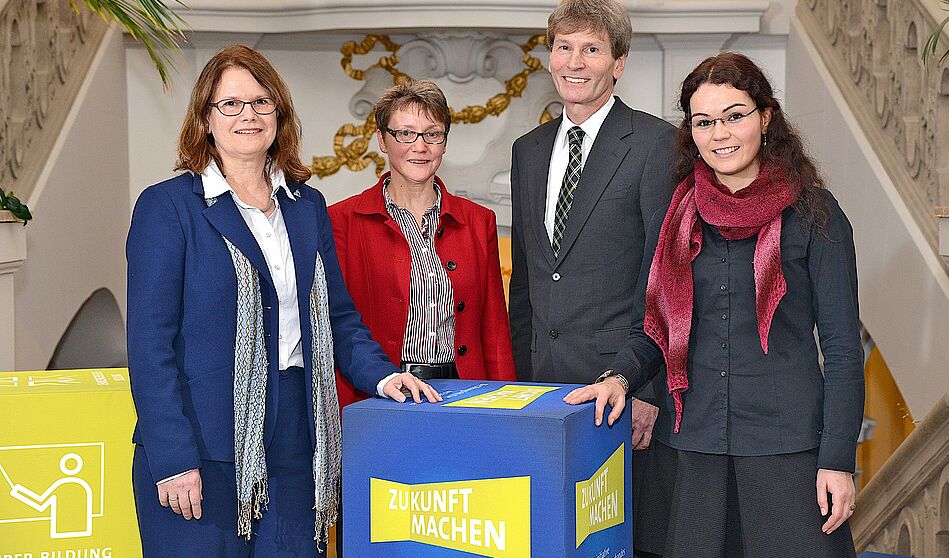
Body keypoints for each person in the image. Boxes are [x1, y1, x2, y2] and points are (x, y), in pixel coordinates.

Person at [126, 45, 440, 558]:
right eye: (230, 104)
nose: (248, 114)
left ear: (279, 113)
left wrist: (385, 376)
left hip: (297, 446)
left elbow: (337, 318)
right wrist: (172, 457)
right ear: (205, 119)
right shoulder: (167, 208)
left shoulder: (306, 205)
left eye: (261, 101)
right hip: (201, 453)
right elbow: (149, 348)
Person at [565, 52, 865, 558]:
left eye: (734, 115)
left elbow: (840, 350)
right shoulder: (676, 213)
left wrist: (837, 460)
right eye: (704, 122)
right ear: (691, 132)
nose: (720, 133)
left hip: (786, 448)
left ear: (766, 117)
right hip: (692, 449)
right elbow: (653, 329)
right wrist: (616, 378)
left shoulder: (816, 213)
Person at [507, 0, 676, 554]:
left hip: (621, 392)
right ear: (549, 57)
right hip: (542, 392)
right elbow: (529, 280)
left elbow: (665, 279)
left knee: (616, 540)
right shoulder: (528, 151)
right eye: (564, 47)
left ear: (618, 63)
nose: (574, 62)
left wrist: (646, 389)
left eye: (592, 49)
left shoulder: (657, 145)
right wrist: (518, 381)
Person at [328, 79, 516, 410]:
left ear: (444, 143)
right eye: (405, 133)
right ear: (382, 140)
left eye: (433, 134)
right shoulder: (341, 220)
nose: (420, 146)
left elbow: (495, 332)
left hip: (465, 395)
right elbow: (336, 326)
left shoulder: (477, 221)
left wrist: (509, 409)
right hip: (380, 396)